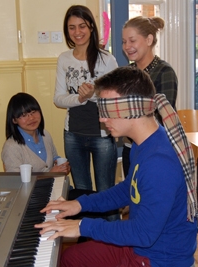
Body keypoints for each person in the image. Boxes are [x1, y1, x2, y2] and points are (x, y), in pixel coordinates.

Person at [35, 67, 197, 267]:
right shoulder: (142, 143)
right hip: (140, 247)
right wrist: (80, 205)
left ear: (132, 109)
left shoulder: (160, 162)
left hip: (157, 259)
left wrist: (82, 226)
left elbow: (143, 234)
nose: (102, 119)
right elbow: (129, 189)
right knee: (71, 258)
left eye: (107, 111)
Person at [53, 5, 118, 192]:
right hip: (72, 134)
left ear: (91, 26)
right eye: (71, 27)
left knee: (106, 192)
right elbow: (58, 99)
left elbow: (114, 101)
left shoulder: (107, 59)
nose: (77, 32)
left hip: (102, 135)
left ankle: (109, 223)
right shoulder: (64, 59)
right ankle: (83, 224)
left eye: (82, 26)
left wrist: (93, 95)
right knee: (82, 192)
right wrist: (81, 99)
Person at [122, 16, 178, 177]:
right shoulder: (126, 73)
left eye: (132, 40)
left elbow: (163, 116)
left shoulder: (164, 72)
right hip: (129, 148)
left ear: (149, 39)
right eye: (124, 41)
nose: (127, 46)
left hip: (154, 150)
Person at [1, 92, 70, 174]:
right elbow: (16, 182)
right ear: (14, 120)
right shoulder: (11, 147)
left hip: (54, 185)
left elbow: (54, 156)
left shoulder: (45, 134)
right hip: (35, 187)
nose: (31, 118)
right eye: (24, 115)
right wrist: (49, 174)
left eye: (33, 112)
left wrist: (59, 164)